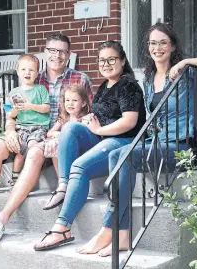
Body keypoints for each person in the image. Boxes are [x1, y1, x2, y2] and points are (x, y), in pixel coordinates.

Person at [73, 22, 197, 257]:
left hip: (180, 146)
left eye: (163, 42)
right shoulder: (148, 78)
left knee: (122, 157)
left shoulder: (186, 73)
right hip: (155, 142)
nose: (158, 47)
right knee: (118, 154)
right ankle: (122, 233)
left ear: (173, 45)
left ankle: (108, 229)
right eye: (153, 43)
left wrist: (186, 62)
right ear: (148, 48)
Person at [0, 33, 93, 244]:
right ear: (45, 52)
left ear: (68, 54)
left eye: (62, 51)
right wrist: (9, 130)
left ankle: (1, 219)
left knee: (34, 153)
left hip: (56, 138)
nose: (57, 55)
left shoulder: (80, 79)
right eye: (52, 50)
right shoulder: (33, 77)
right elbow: (11, 112)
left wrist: (66, 130)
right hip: (25, 131)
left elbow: (90, 115)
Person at [34, 40, 146, 251]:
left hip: (125, 141)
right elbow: (102, 117)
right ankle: (64, 184)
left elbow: (129, 122)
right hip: (105, 140)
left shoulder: (128, 85)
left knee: (80, 166)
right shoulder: (104, 86)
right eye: (102, 60)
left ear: (122, 60)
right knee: (69, 128)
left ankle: (62, 227)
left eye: (111, 59)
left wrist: (98, 130)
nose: (106, 64)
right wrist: (89, 121)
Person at [3, 55, 51, 187]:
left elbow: (47, 108)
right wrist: (14, 110)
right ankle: (15, 178)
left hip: (39, 127)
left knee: (31, 147)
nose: (27, 73)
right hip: (21, 127)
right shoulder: (14, 92)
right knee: (20, 151)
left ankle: (29, 177)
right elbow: (9, 114)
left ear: (37, 73)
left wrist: (31, 106)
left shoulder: (40, 89)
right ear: (18, 72)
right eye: (23, 69)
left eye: (31, 70)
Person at [42, 84, 92, 191]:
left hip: (80, 149)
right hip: (64, 150)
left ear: (83, 103)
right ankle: (62, 180)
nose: (70, 103)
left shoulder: (86, 118)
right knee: (54, 142)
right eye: (67, 100)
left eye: (74, 100)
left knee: (58, 143)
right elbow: (50, 133)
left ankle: (68, 181)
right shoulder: (64, 118)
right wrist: (59, 134)